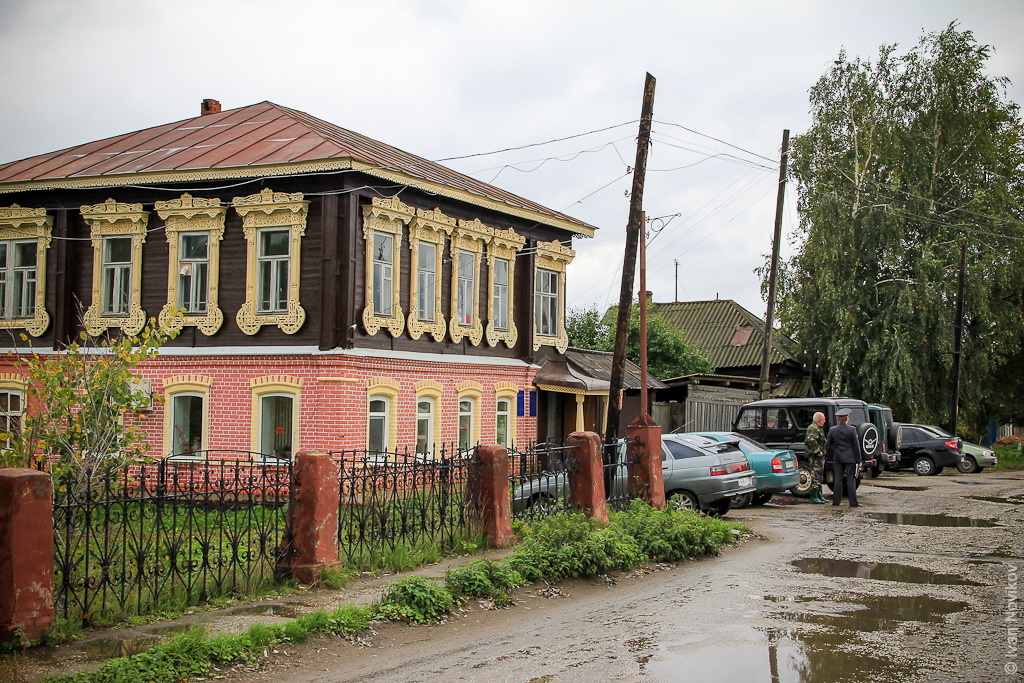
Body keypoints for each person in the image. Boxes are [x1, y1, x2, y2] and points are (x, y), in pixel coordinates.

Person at [825, 408, 861, 507]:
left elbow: (828, 445)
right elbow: (856, 446)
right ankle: (853, 503)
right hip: (850, 457)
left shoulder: (832, 430)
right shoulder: (852, 429)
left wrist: (836, 452)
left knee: (838, 480)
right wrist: (859, 460)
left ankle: (836, 502)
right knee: (850, 480)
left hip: (838, 457)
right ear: (847, 418)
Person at [803, 412, 828, 504]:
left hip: (819, 457)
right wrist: (817, 452)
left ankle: (819, 494)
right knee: (815, 475)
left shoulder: (818, 428)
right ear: (820, 420)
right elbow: (811, 440)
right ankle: (814, 495)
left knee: (819, 475)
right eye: (824, 419)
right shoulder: (813, 428)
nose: (825, 421)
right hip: (815, 457)